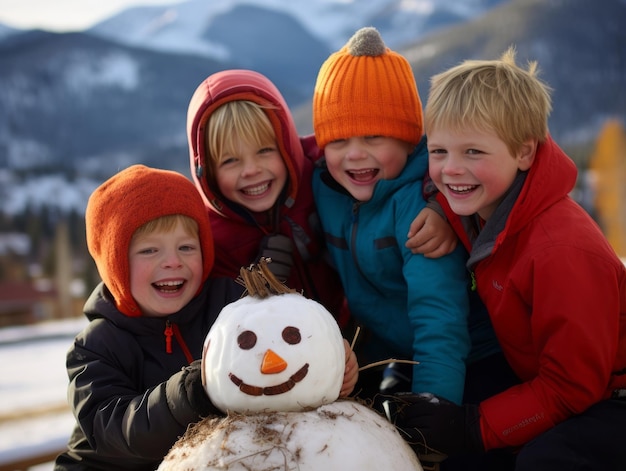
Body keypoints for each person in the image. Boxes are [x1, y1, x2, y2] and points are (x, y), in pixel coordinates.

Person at [395, 47, 626, 470]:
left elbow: (574, 387)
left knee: (545, 461)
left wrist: (473, 427)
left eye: (474, 153)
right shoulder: (485, 209)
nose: (450, 170)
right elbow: (454, 194)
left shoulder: (560, 251)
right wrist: (438, 211)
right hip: (545, 381)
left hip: (610, 399)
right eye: (439, 151)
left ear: (524, 153)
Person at [54, 165, 359, 470]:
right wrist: (190, 393)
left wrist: (330, 358)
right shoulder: (95, 347)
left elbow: (281, 340)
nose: (173, 262)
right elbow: (115, 432)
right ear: (115, 264)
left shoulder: (230, 306)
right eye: (149, 251)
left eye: (186, 247)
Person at [310, 26, 500, 407]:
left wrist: (431, 412)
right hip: (389, 354)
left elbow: (440, 323)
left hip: (467, 363)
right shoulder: (324, 185)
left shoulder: (418, 211)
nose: (355, 155)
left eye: (374, 138)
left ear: (410, 140)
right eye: (339, 140)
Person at [186, 69, 453, 334]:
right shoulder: (212, 240)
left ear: (287, 146)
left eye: (265, 150)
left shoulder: (319, 171)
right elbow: (216, 326)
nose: (251, 170)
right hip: (289, 360)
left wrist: (440, 204)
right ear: (206, 171)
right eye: (230, 161)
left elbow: (416, 159)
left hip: (357, 334)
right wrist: (254, 291)